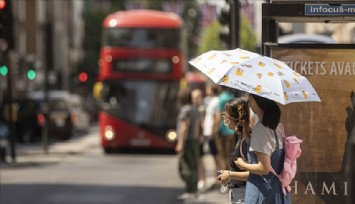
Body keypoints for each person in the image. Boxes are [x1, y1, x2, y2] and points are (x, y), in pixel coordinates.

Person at [218, 94, 291, 204]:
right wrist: (248, 138)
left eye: (251, 98)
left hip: (263, 194)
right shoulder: (276, 126)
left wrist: (242, 165)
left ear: (255, 101)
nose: (249, 102)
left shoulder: (261, 129)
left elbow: (264, 168)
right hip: (275, 191)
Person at [217, 97, 250, 203]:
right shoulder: (241, 137)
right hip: (239, 194)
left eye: (226, 116)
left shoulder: (247, 140)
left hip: (245, 195)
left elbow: (256, 173)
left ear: (234, 118)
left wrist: (230, 174)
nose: (225, 119)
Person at [176, 89, 201, 200]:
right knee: (193, 166)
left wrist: (180, 143)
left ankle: (190, 190)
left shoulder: (185, 110)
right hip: (194, 140)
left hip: (187, 142)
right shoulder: (194, 109)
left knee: (185, 167)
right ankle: (193, 190)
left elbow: (184, 127)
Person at [202, 84, 224, 189]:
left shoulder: (216, 101)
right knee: (215, 157)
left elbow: (217, 117)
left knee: (218, 157)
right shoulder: (211, 101)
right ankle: (218, 180)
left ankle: (223, 181)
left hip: (212, 133)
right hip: (208, 132)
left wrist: (213, 132)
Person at [215, 87, 236, 170]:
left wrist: (215, 129)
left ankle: (226, 174)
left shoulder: (221, 97)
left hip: (223, 129)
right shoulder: (232, 96)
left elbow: (219, 114)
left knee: (223, 154)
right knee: (231, 153)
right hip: (232, 129)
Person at [191, 88, 207, 191]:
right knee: (195, 159)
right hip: (194, 137)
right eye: (193, 97)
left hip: (199, 137)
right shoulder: (193, 108)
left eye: (197, 97)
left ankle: (202, 180)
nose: (195, 99)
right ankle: (197, 179)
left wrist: (201, 136)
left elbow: (203, 123)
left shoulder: (202, 109)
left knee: (199, 159)